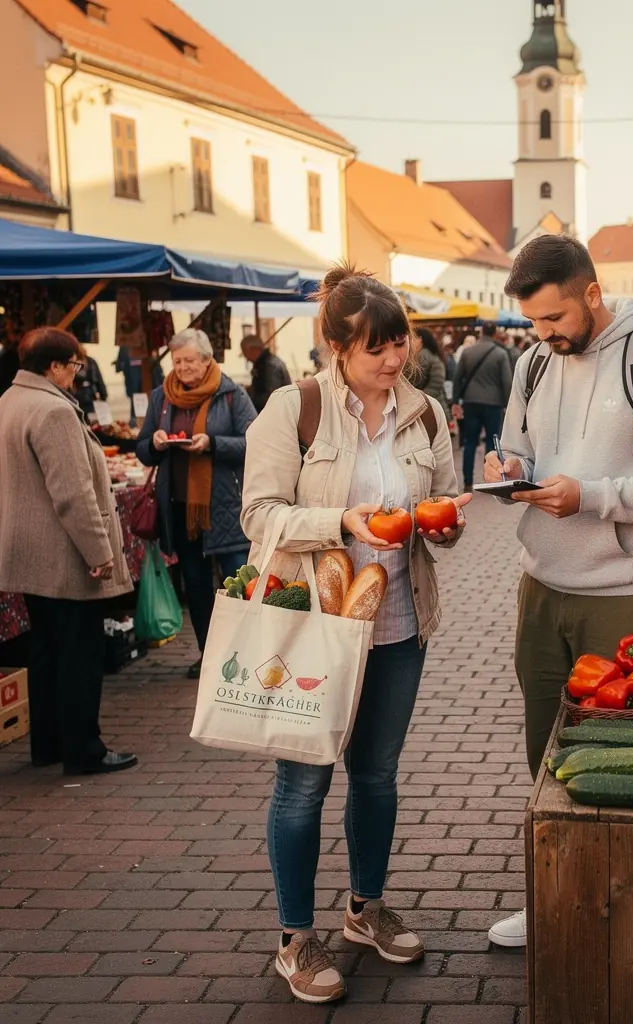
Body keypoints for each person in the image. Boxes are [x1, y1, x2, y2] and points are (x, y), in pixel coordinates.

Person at [241, 264, 471, 1004]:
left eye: (400, 343)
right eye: (376, 347)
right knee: (303, 783)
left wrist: (447, 520)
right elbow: (257, 515)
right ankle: (295, 937)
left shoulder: (426, 413)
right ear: (338, 346)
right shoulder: (294, 408)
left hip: (399, 623)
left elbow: (440, 507)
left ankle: (366, 908)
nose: (393, 359)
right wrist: (339, 521)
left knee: (376, 773)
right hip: (314, 624)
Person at [481, 235, 633, 948]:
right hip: (542, 585)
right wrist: (507, 463)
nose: (543, 335)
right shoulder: (531, 364)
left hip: (632, 591)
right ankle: (552, 899)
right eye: (532, 323)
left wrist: (592, 496)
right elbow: (520, 443)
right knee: (545, 757)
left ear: (591, 293)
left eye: (553, 319)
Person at [0, 328, 135, 775]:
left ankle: (50, 744)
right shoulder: (53, 410)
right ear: (53, 366)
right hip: (62, 550)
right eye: (75, 366)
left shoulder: (10, 400)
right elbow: (72, 494)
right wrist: (99, 552)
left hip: (29, 549)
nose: (78, 374)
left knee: (46, 649)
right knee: (78, 653)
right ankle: (83, 750)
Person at [136, 329, 257, 679]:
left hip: (224, 507)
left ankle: (247, 652)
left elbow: (255, 442)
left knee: (239, 583)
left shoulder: (231, 394)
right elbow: (142, 448)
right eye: (177, 361)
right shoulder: (161, 397)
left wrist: (213, 443)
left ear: (207, 360)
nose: (183, 368)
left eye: (190, 360)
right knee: (197, 586)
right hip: (180, 509)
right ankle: (209, 654)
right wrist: (156, 443)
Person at [451, 324, 513, 491]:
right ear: (494, 334)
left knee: (469, 442)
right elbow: (507, 381)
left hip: (471, 401)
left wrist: (456, 400)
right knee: (492, 443)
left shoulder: (468, 351)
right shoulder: (500, 353)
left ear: (481, 332)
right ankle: (490, 481)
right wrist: (509, 405)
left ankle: (468, 482)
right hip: (494, 403)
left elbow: (457, 378)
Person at [241, 334, 292, 413]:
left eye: (244, 352)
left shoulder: (270, 365)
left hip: (275, 415)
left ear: (251, 349)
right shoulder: (264, 364)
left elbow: (272, 395)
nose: (246, 358)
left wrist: (251, 398)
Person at [116, 346, 163, 426]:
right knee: (137, 413)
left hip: (148, 387)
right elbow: (120, 365)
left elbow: (119, 366)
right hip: (137, 388)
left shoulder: (148, 343)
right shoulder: (126, 346)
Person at [414, 327, 451, 423]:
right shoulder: (433, 355)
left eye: (412, 338)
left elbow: (414, 381)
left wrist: (416, 397)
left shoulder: (423, 356)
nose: (410, 343)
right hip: (438, 407)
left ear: (420, 339)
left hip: (429, 410)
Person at [73, 353, 108, 418]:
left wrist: (103, 395)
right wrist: (103, 395)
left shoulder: (90, 361)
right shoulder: (90, 361)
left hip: (84, 397)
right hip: (86, 396)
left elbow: (98, 378)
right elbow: (99, 379)